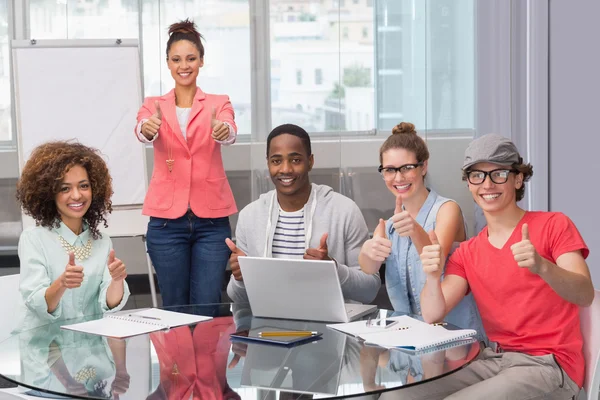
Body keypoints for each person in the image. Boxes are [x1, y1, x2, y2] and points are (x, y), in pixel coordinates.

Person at [417, 134, 593, 399]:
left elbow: (585, 293)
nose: (487, 184)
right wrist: (431, 277)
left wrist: (542, 267)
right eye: (477, 175)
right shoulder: (467, 252)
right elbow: (432, 314)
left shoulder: (554, 225)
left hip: (549, 364)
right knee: (398, 396)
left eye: (498, 173)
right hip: (495, 361)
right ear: (468, 183)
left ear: (518, 179)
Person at [135, 19, 238, 308]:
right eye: (177, 59)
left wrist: (224, 131)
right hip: (167, 221)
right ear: (167, 63)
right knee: (175, 306)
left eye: (191, 58)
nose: (184, 65)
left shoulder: (219, 102)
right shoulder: (152, 104)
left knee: (207, 303)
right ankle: (177, 356)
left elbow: (229, 129)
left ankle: (206, 355)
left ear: (201, 61)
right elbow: (141, 129)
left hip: (212, 221)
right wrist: (147, 128)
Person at [226, 123, 380, 304]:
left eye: (295, 160)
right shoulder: (250, 217)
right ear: (268, 162)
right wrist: (241, 279)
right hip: (269, 328)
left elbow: (370, 289)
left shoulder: (344, 211)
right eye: (276, 161)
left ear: (310, 161)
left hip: (329, 327)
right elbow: (237, 298)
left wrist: (333, 270)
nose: (285, 169)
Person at [358, 122, 485, 341]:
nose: (398, 178)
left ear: (423, 166)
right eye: (390, 170)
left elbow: (435, 259)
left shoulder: (447, 210)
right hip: (411, 338)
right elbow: (369, 267)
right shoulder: (390, 225)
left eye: (407, 168)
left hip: (455, 337)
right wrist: (368, 252)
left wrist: (415, 230)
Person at [15, 141, 129, 331]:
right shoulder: (34, 239)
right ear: (49, 193)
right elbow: (37, 305)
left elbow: (109, 304)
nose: (77, 196)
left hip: (92, 346)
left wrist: (117, 280)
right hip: (47, 348)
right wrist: (62, 283)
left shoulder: (102, 241)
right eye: (65, 188)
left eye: (83, 186)